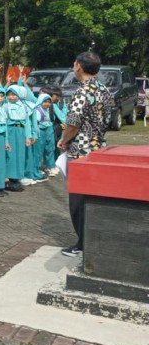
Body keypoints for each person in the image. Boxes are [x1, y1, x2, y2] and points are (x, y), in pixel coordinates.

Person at [57, 52, 114, 257]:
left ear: (79, 67)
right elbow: (108, 117)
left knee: (78, 201)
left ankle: (83, 243)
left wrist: (64, 140)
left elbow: (73, 124)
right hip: (99, 149)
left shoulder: (82, 92)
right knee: (94, 198)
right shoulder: (104, 89)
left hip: (81, 152)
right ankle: (94, 239)